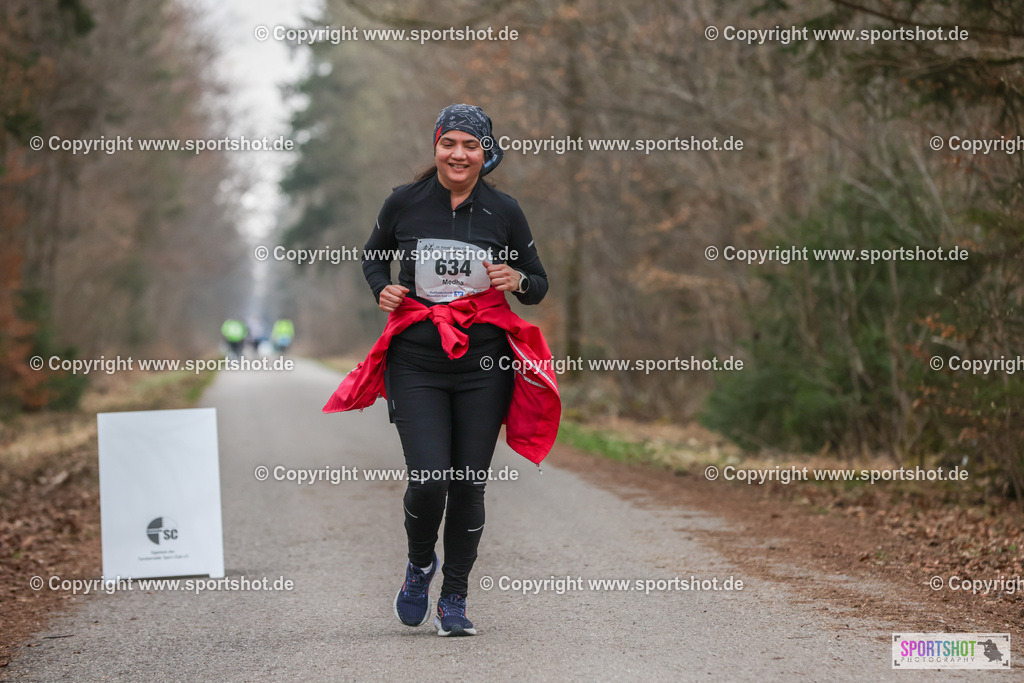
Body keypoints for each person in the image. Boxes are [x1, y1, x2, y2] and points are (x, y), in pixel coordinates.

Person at [322, 104, 560, 637]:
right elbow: (372, 257)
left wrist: (515, 278)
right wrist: (380, 287)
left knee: (468, 483)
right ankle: (418, 566)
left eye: (470, 146)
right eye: (449, 143)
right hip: (416, 363)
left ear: (485, 154)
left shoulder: (505, 211)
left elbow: (539, 284)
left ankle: (454, 596)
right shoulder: (404, 202)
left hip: (484, 365)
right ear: (436, 146)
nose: (458, 154)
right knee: (430, 478)